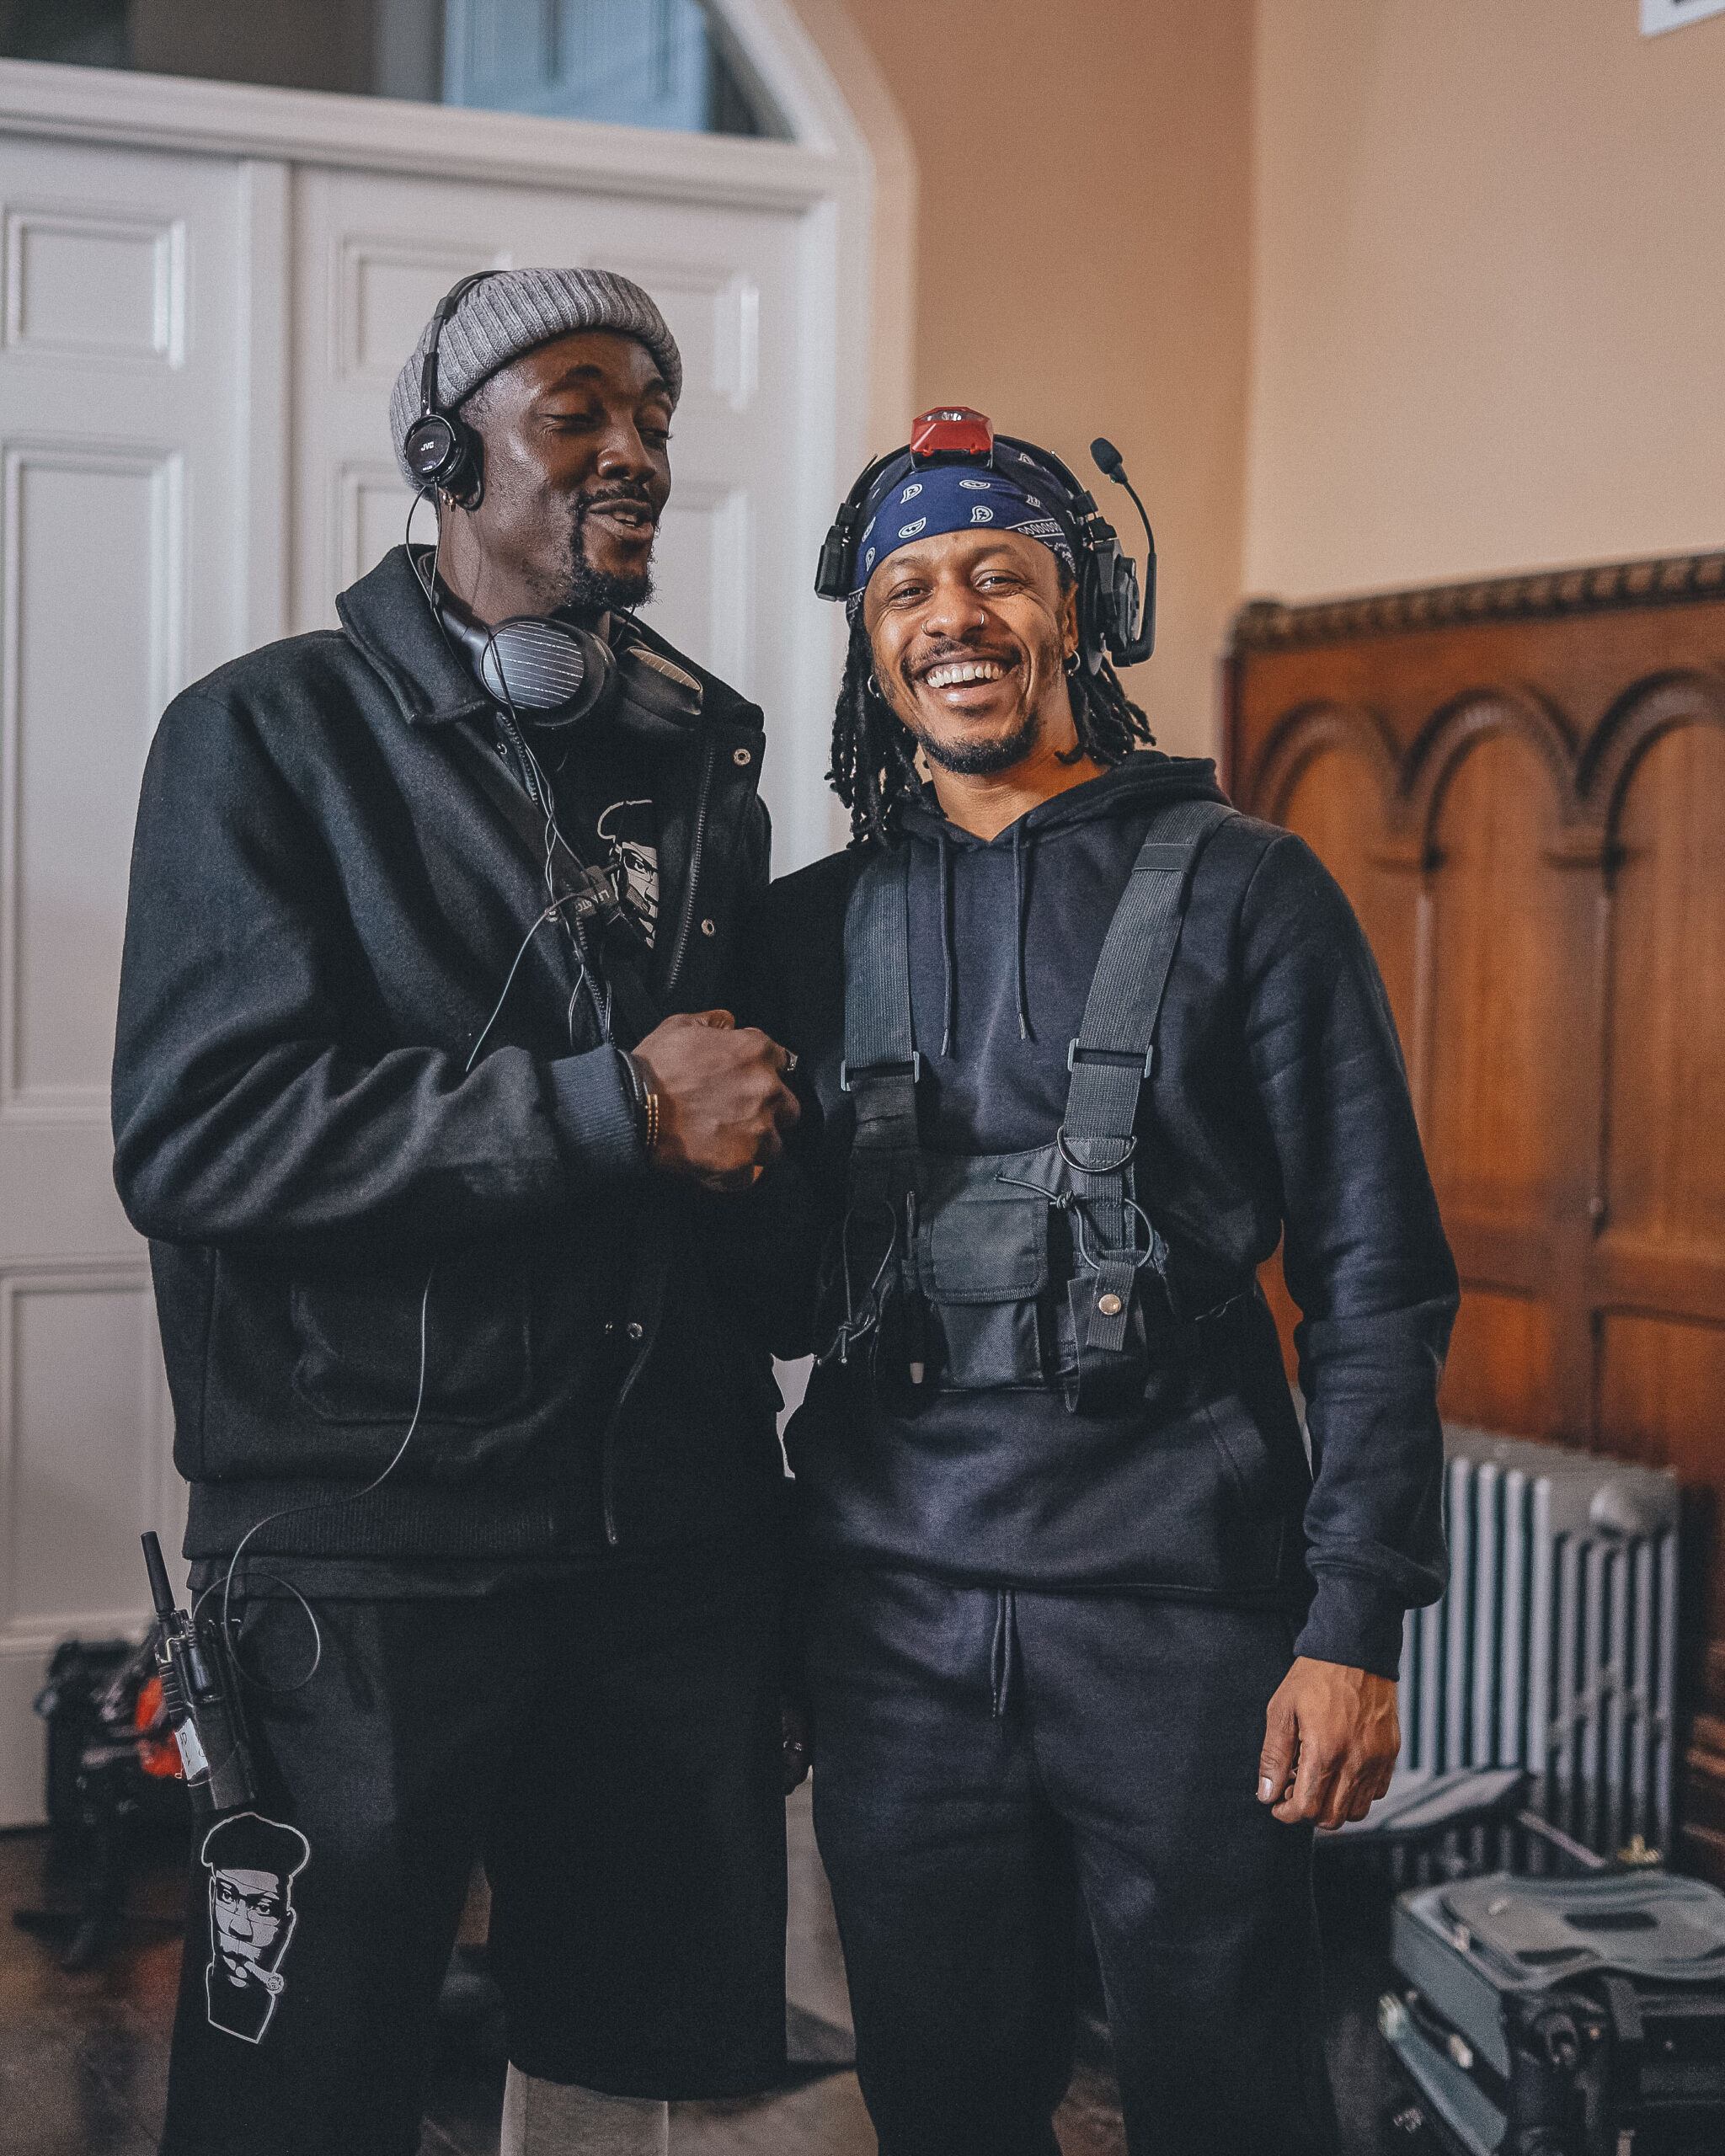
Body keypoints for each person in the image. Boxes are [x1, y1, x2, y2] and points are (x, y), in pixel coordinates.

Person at [113, 268, 804, 2156]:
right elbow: (203, 1136)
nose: (634, 450)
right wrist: (613, 1108)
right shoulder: (264, 737)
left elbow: (733, 1144)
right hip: (367, 1558)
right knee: (301, 2086)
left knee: (635, 2071)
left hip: (665, 1546)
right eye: (578, 410)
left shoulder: (697, 760)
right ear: (444, 449)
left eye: (654, 420)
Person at [748, 409, 1459, 2156]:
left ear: (1080, 610)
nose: (954, 614)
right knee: (940, 2099)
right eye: (908, 587)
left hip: (1186, 1623)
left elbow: (1378, 1280)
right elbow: (742, 1303)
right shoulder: (805, 929)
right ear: (870, 642)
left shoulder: (1254, 892)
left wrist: (1352, 1622)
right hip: (889, 1622)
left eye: (998, 572)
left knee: (1231, 2101)